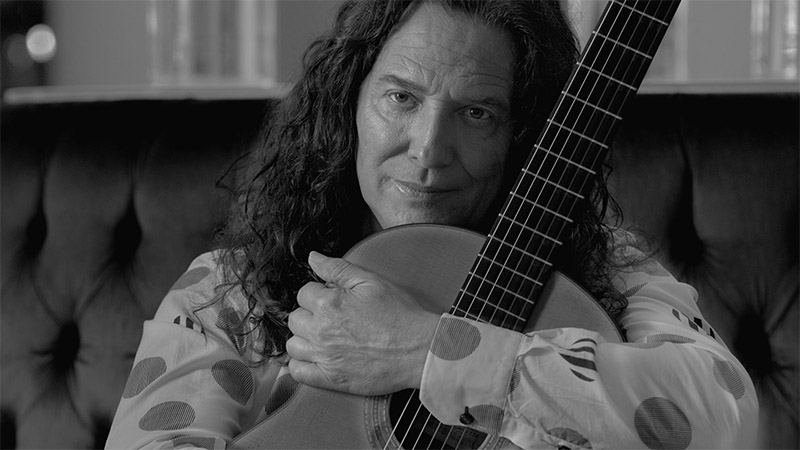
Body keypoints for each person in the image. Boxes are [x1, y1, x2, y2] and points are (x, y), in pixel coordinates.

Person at [106, 0, 758, 448]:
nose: (428, 150)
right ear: (349, 102)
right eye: (401, 97)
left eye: (477, 113)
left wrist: (420, 351)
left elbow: (723, 419)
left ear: (522, 135)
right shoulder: (230, 288)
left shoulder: (610, 270)